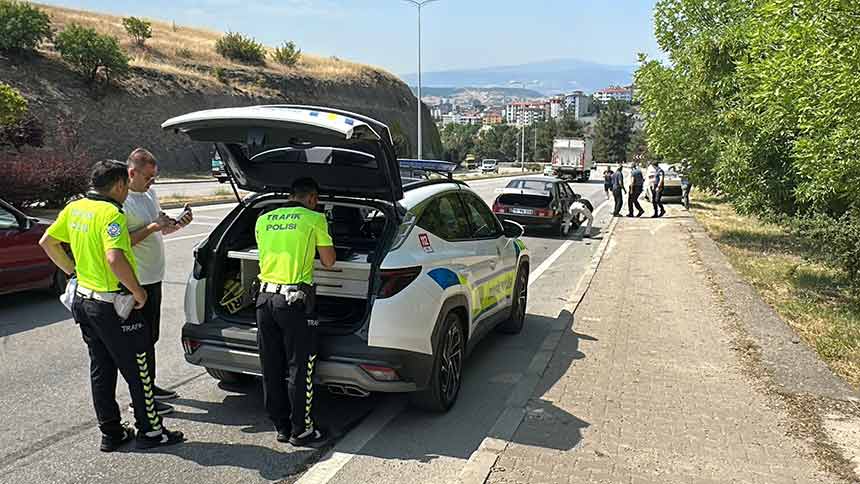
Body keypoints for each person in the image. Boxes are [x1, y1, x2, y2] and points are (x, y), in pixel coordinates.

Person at [39, 160, 184, 452]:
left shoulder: (75, 208)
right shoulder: (110, 214)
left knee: (101, 368)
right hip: (113, 304)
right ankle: (151, 432)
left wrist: (73, 272)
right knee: (138, 368)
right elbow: (115, 258)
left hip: (84, 301)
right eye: (126, 188)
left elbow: (47, 242)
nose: (127, 193)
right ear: (119, 185)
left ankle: (112, 432)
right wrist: (138, 292)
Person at [255, 177, 336, 448]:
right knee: (300, 366)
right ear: (312, 198)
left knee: (271, 364)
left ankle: (281, 425)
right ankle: (302, 430)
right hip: (294, 302)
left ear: (291, 196)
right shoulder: (314, 219)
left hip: (263, 300)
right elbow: (328, 260)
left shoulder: (264, 218)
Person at [124, 148, 193, 415]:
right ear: (132, 173)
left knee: (150, 337)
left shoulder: (150, 194)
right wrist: (154, 226)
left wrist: (179, 224)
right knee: (137, 342)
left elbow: (160, 226)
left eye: (155, 177)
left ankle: (149, 385)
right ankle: (139, 398)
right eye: (148, 178)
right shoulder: (122, 200)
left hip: (154, 277)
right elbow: (124, 242)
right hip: (136, 282)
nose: (152, 183)